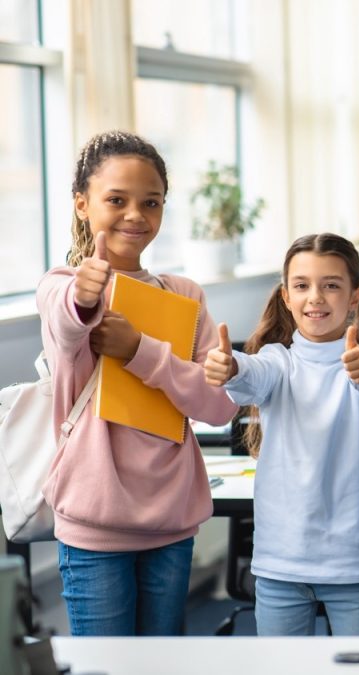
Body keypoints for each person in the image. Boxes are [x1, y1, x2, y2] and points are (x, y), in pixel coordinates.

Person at [36, 130, 238, 635]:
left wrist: (140, 352)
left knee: (162, 662)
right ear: (82, 204)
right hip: (95, 524)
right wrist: (86, 296)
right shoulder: (62, 286)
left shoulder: (183, 294)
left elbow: (218, 407)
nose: (135, 215)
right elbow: (67, 324)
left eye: (151, 202)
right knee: (106, 665)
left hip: (171, 519)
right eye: (116, 200)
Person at [203, 233, 359, 636]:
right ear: (286, 296)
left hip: (353, 561)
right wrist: (231, 368)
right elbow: (252, 374)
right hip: (281, 563)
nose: (316, 297)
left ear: (356, 295)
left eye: (331, 285)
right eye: (302, 285)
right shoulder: (278, 361)